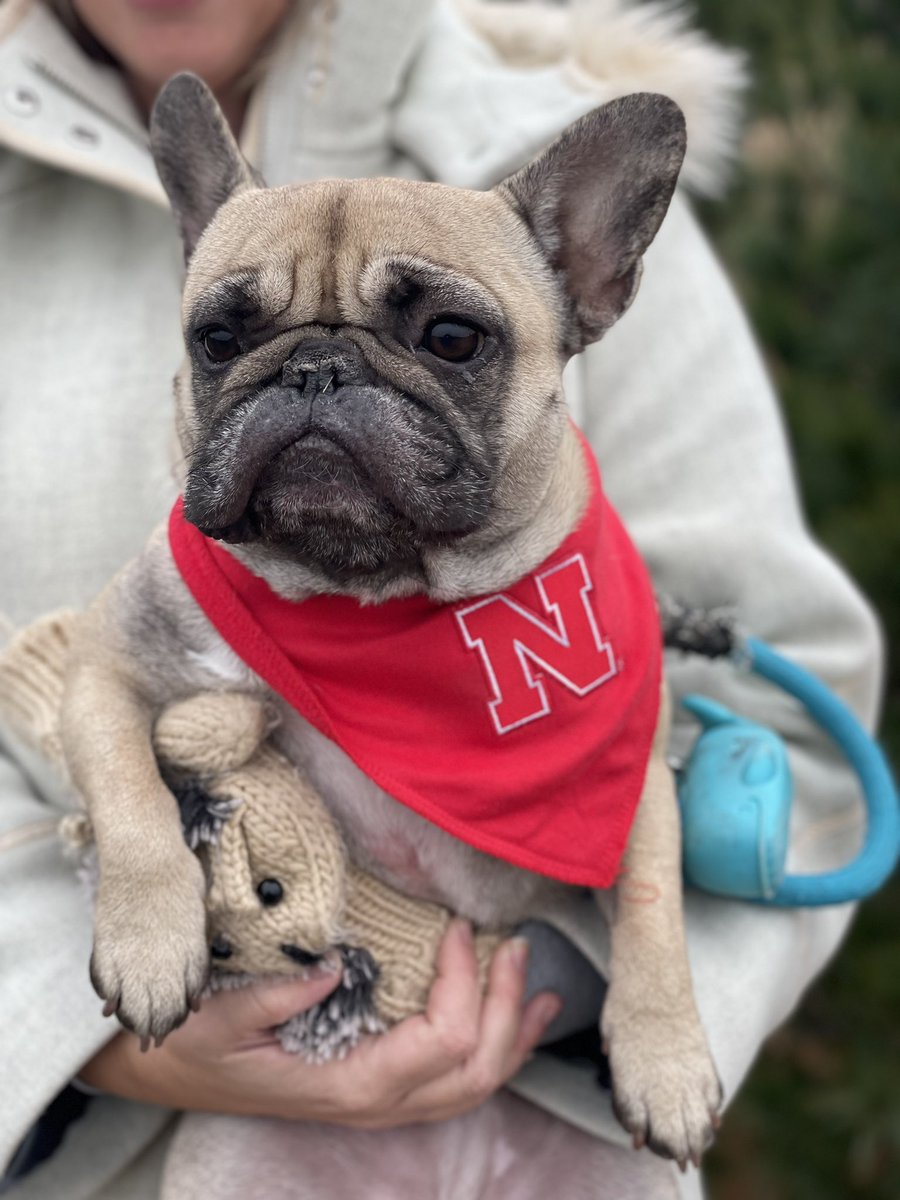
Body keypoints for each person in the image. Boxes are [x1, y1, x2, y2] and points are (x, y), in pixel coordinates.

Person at [0, 1, 882, 1197]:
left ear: (588, 284)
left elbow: (720, 740)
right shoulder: (183, 590)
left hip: (551, 1107)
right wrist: (79, 1032)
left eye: (449, 340)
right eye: (233, 343)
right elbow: (100, 679)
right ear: (193, 253)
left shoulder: (527, 164)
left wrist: (565, 1001)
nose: (316, 385)